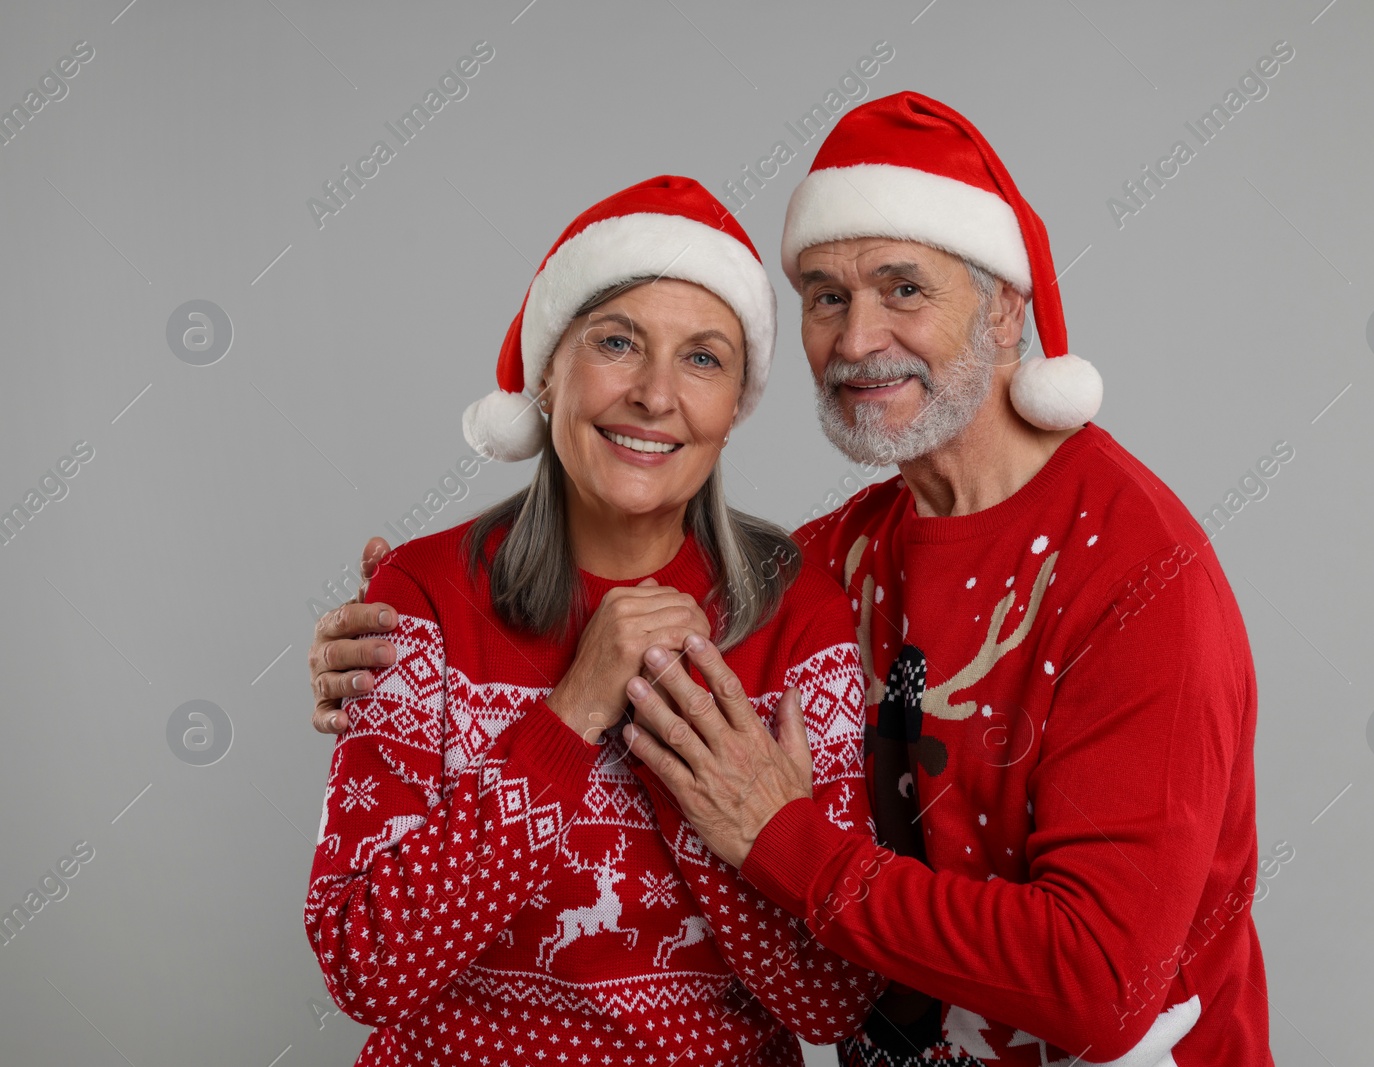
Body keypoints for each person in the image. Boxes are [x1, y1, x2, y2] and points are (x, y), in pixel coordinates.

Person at [311, 94, 1272, 1066]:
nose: (855, 340)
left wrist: (784, 839)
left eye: (903, 288)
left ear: (1006, 307)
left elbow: (1099, 985)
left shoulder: (1140, 579)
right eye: (825, 295)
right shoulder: (819, 567)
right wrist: (408, 627)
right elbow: (642, 579)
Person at [304, 175, 884, 1067]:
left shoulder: (797, 612)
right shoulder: (421, 595)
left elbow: (830, 997)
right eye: (618, 342)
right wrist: (572, 713)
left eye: (702, 359)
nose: (656, 395)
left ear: (734, 409)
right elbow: (366, 964)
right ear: (548, 374)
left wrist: (684, 737)